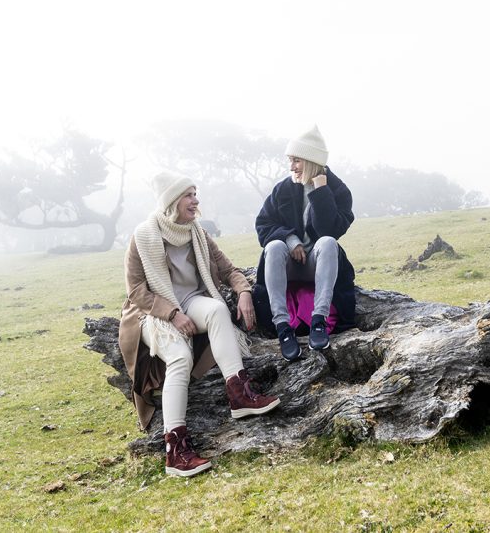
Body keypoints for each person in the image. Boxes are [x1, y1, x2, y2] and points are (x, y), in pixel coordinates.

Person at [118, 171, 279, 478]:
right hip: (152, 312)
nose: (196, 200)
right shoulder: (142, 236)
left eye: (195, 193)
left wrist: (243, 291)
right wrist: (172, 314)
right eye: (189, 195)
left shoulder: (197, 233)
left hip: (192, 301)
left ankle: (239, 393)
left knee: (218, 309)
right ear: (172, 201)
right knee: (179, 357)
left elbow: (228, 269)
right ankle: (176, 451)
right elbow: (136, 292)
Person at [253, 125, 357, 361]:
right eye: (290, 160)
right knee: (273, 246)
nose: (291, 167)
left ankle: (318, 321)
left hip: (317, 264)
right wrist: (290, 239)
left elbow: (329, 230)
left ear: (311, 160)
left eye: (296, 160)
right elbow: (263, 225)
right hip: (289, 263)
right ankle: (282, 326)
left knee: (329, 242)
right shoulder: (283, 189)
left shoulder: (338, 190)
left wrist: (321, 191)